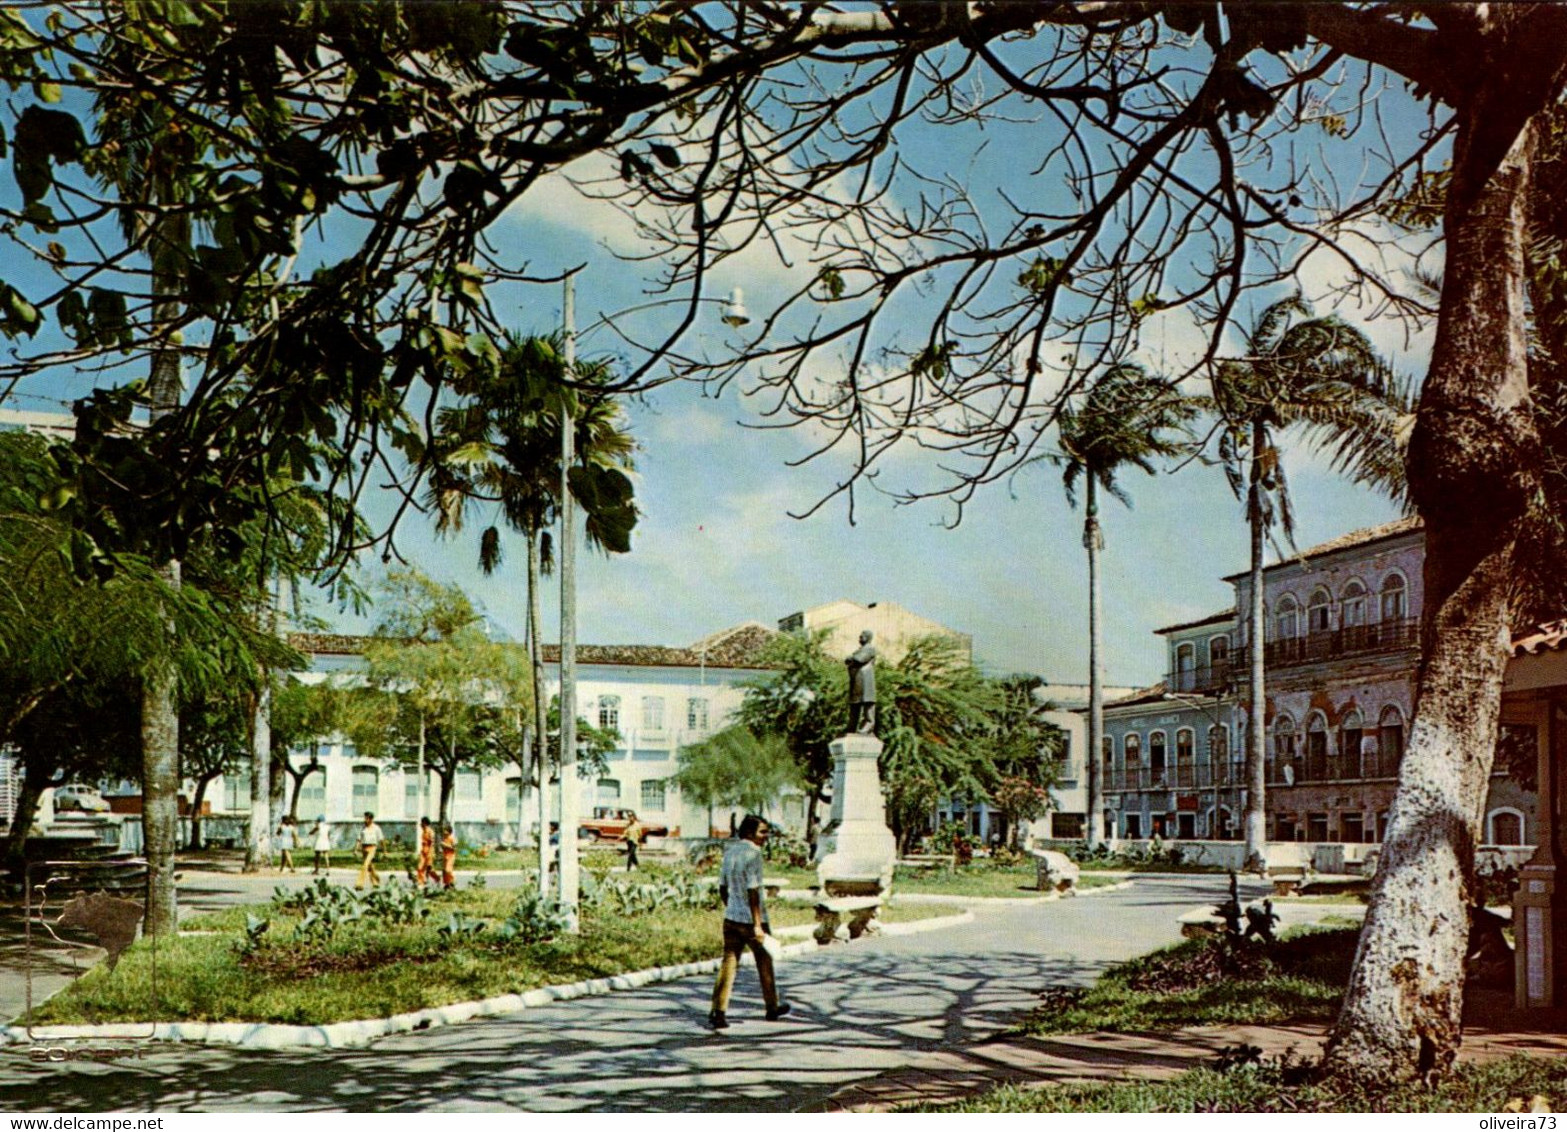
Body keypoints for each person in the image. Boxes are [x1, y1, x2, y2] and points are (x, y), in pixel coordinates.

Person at [709, 814, 790, 1030]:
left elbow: (723, 888)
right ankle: (772, 1007)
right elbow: (753, 891)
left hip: (731, 917)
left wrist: (732, 907)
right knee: (764, 961)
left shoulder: (730, 851)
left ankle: (719, 1011)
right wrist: (757, 925)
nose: (766, 836)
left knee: (729, 963)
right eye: (762, 832)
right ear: (748, 832)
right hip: (752, 920)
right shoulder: (753, 853)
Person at [846, 630, 877, 734]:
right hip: (857, 680)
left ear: (868, 637)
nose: (860, 637)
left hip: (865, 679)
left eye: (862, 636)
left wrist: (851, 658)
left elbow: (860, 659)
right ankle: (852, 727)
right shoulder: (861, 649)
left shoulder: (869, 648)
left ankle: (868, 724)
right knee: (855, 703)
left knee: (867, 702)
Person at [356, 811, 383, 889]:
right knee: (370, 866)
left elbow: (381, 839)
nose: (365, 820)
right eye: (364, 818)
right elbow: (359, 839)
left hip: (372, 847)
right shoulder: (363, 828)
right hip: (364, 848)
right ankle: (375, 881)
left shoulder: (376, 828)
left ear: (371, 819)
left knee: (365, 865)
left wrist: (384, 850)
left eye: (367, 818)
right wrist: (356, 849)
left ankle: (359, 884)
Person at [416, 817, 435, 887]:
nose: (421, 824)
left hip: (429, 850)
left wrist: (430, 854)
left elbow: (432, 843)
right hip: (423, 851)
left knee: (429, 868)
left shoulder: (430, 831)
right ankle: (421, 882)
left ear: (425, 823)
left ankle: (437, 878)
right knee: (420, 867)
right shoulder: (423, 831)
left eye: (422, 823)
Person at [440, 823, 457, 889]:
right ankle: (447, 884)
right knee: (444, 871)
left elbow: (454, 848)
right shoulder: (444, 839)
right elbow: (444, 847)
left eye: (445, 830)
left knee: (448, 870)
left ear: (449, 831)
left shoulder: (452, 839)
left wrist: (445, 845)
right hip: (445, 856)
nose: (444, 832)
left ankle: (452, 882)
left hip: (451, 856)